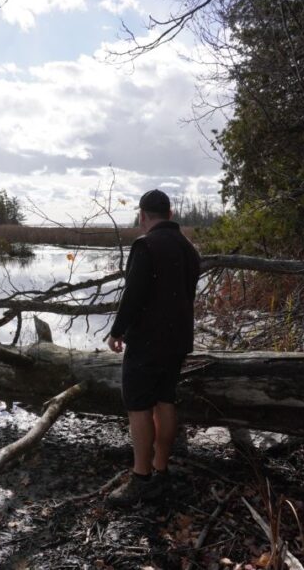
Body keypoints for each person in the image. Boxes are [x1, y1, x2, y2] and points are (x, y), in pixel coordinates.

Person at [104, 189, 201, 508]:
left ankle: (141, 478)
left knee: (139, 407)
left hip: (147, 342)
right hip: (177, 341)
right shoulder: (190, 249)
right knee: (165, 399)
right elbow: (188, 294)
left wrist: (117, 331)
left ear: (143, 216)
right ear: (170, 215)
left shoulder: (145, 245)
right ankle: (161, 469)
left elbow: (134, 294)